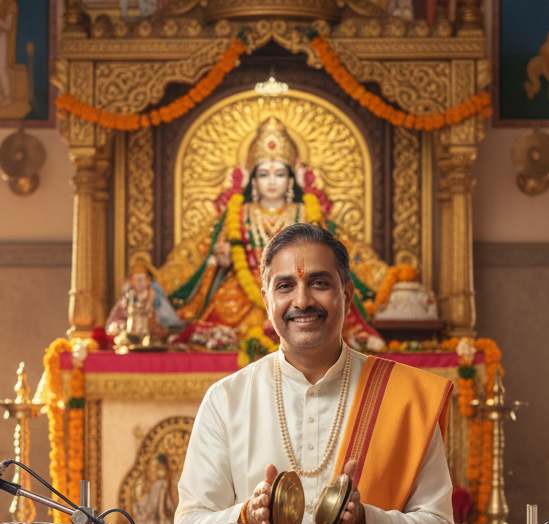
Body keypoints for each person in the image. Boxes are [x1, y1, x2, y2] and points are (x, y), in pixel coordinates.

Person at [122, 224, 499, 524]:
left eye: (319, 283)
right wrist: (245, 519)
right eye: (286, 286)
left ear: (345, 293)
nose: (303, 299)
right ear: (267, 298)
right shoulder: (228, 399)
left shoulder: (403, 397)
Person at [158, 115, 382, 350]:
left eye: (280, 174)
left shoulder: (307, 211)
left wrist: (385, 279)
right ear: (253, 181)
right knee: (225, 303)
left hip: (299, 282)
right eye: (264, 174)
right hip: (244, 285)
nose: (272, 181)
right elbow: (204, 254)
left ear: (291, 178)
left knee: (324, 298)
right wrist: (220, 259)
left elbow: (339, 250)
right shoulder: (238, 212)